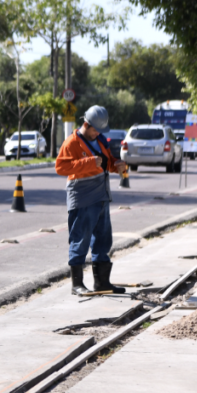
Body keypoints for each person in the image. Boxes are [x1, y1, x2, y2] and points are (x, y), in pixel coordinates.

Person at [54, 105, 129, 296]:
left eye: (100, 130)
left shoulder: (101, 140)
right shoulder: (72, 143)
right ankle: (76, 285)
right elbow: (60, 167)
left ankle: (102, 282)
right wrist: (87, 162)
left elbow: (106, 163)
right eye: (95, 129)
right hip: (82, 198)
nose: (97, 133)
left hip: (101, 197)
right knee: (80, 239)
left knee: (103, 240)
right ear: (86, 124)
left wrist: (117, 166)